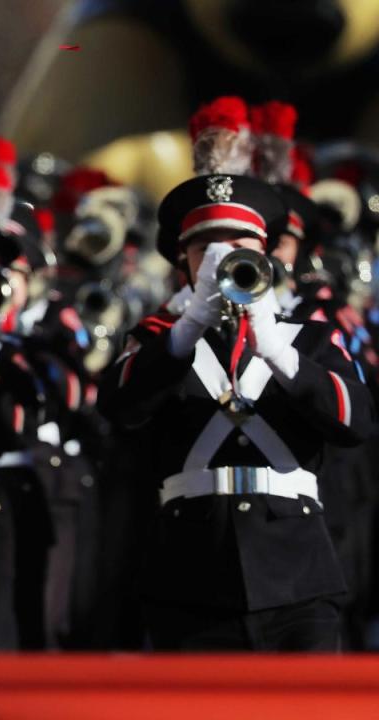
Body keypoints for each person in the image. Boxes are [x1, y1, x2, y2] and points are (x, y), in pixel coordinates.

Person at [99, 171, 375, 651]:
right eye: (207, 248)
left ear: (265, 256)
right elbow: (121, 409)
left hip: (297, 574)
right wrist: (188, 327)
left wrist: (279, 350)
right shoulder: (158, 343)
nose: (223, 258)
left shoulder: (310, 337)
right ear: (184, 261)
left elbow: (357, 421)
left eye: (239, 244)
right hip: (189, 575)